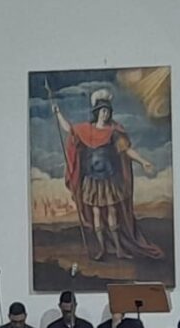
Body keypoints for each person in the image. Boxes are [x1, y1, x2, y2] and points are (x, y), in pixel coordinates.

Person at [52, 88, 162, 261]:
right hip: (92, 179)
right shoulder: (85, 130)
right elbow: (69, 129)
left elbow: (126, 150)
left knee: (112, 211)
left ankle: (118, 249)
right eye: (102, 111)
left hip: (109, 178)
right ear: (97, 113)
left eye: (107, 111)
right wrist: (58, 113)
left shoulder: (114, 132)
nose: (104, 114)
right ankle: (102, 248)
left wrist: (143, 161)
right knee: (96, 212)